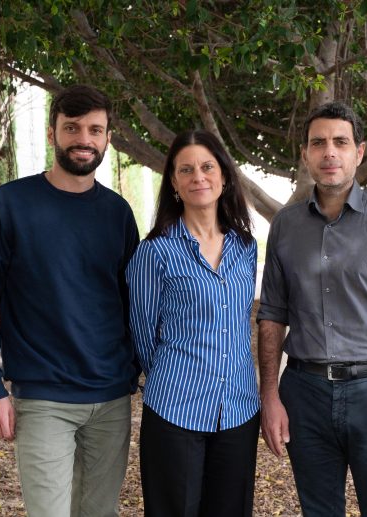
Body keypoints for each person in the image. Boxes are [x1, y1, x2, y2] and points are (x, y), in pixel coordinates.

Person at [0, 84, 140, 517]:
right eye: (72, 128)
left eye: (95, 130)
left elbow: (133, 302)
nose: (84, 139)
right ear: (51, 133)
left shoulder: (117, 213)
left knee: (100, 513)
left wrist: (134, 368)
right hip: (44, 399)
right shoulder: (8, 206)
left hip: (111, 399)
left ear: (108, 138)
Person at [257, 101, 367, 516]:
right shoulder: (285, 225)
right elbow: (272, 317)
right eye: (318, 143)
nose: (329, 152)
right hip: (305, 393)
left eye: (340, 142)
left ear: (359, 151)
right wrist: (270, 396)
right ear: (305, 154)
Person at [126, 130, 260, 517]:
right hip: (175, 411)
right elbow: (143, 334)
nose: (198, 177)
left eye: (207, 167)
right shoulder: (154, 252)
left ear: (224, 176)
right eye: (186, 170)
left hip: (238, 409)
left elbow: (240, 323)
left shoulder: (246, 247)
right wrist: (178, 376)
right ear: (173, 182)